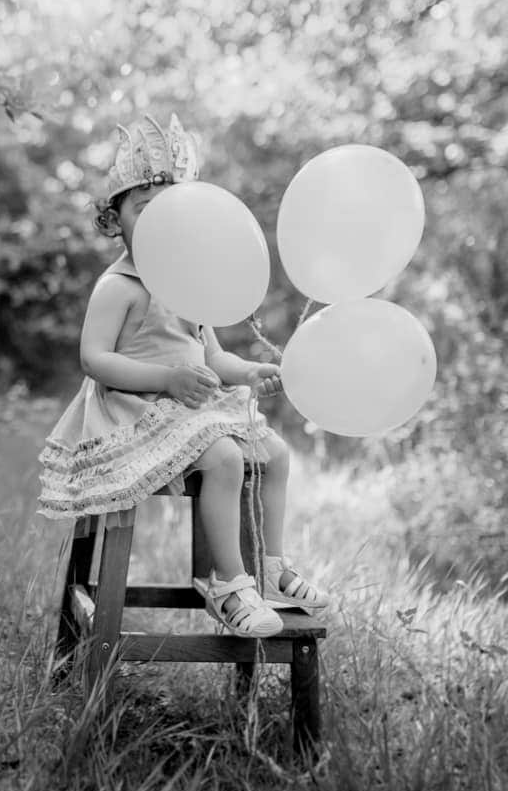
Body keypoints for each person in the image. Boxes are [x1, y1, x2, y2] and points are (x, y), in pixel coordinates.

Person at [38, 114, 330, 638]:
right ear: (114, 218)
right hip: (135, 408)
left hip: (190, 407)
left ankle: (270, 564)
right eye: (143, 211)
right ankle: (230, 583)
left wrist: (248, 371)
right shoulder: (118, 287)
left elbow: (211, 355)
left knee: (276, 454)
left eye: (169, 214)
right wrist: (166, 379)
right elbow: (94, 359)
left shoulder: (188, 284)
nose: (156, 226)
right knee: (222, 460)